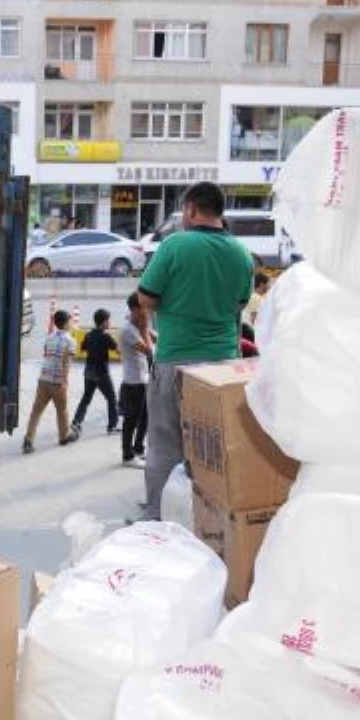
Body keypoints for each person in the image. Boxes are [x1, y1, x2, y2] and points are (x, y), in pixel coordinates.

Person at [139, 181, 254, 519]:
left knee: (164, 447)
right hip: (222, 369)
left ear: (190, 209)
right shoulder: (241, 253)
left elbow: (146, 297)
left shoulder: (175, 245)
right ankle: (211, 522)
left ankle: (159, 521)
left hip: (176, 361)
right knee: (213, 451)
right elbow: (240, 304)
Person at [22, 309, 78, 454]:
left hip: (43, 379)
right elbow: (66, 362)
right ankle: (64, 436)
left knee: (36, 411)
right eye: (70, 321)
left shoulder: (49, 337)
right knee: (62, 410)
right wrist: (65, 381)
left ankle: (28, 440)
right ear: (66, 323)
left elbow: (46, 354)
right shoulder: (70, 341)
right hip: (57, 381)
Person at [119, 292, 155, 469]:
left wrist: (146, 330)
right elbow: (150, 352)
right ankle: (127, 455)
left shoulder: (137, 324)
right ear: (134, 309)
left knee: (145, 417)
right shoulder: (129, 330)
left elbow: (157, 339)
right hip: (133, 382)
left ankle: (138, 448)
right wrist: (144, 330)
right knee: (131, 419)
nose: (147, 313)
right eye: (143, 308)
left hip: (143, 379)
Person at [71, 309, 120, 437]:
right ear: (103, 322)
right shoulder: (106, 336)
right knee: (112, 398)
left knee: (86, 398)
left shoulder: (88, 335)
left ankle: (76, 422)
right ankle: (112, 426)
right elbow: (118, 349)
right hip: (101, 373)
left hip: (89, 371)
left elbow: (83, 348)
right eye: (108, 320)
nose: (109, 322)